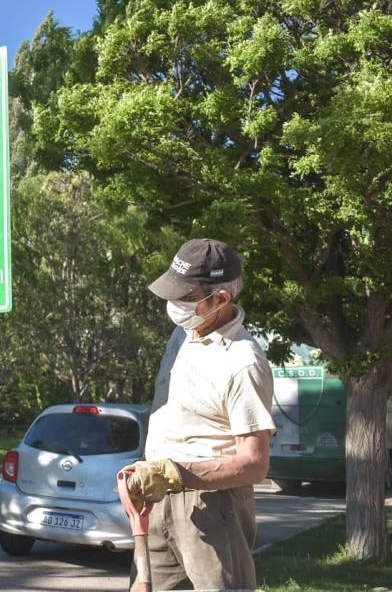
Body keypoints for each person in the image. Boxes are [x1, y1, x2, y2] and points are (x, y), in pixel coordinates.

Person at [123, 238, 275, 591]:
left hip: (213, 505)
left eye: (184, 297)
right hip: (158, 495)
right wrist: (152, 472)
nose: (173, 305)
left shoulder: (244, 361)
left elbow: (254, 463)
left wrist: (177, 473)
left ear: (220, 299)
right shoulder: (183, 335)